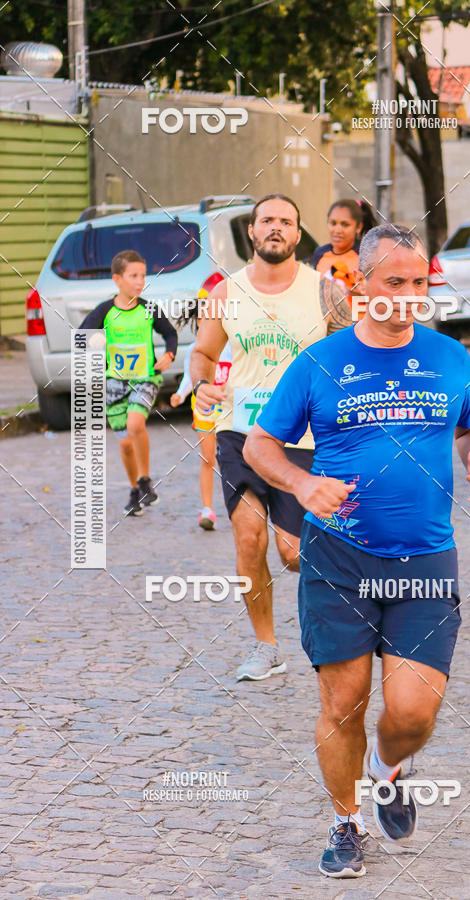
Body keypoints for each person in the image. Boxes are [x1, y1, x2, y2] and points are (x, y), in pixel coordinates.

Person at [243, 224, 470, 877]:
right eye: (395, 282)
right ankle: (347, 823)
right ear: (362, 284)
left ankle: (388, 767)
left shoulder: (450, 357)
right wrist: (301, 483)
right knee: (342, 702)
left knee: (411, 712)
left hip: (426, 559)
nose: (409, 296)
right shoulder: (319, 363)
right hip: (340, 558)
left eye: (419, 284)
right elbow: (258, 447)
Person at [190, 193, 352, 681]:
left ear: (298, 235)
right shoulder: (224, 293)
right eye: (267, 220)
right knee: (248, 537)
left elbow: (352, 356)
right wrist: (203, 383)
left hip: (303, 437)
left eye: (286, 221)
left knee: (291, 551)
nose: (276, 227)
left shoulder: (327, 293)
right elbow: (202, 353)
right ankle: (266, 646)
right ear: (253, 233)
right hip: (240, 432)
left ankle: (351, 586)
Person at [80, 249, 177, 516]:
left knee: (136, 423)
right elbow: (82, 335)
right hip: (115, 384)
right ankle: (136, 489)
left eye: (142, 276)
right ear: (117, 279)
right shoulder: (105, 311)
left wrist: (169, 355)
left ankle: (145, 480)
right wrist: (94, 341)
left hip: (145, 379)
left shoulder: (148, 309)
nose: (139, 281)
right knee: (124, 444)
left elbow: (169, 333)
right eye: (133, 276)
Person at [171, 295, 232, 529]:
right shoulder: (194, 350)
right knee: (208, 458)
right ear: (196, 322)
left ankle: (241, 505)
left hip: (231, 409)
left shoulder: (232, 345)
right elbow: (190, 376)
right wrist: (180, 394)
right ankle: (207, 510)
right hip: (205, 409)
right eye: (201, 318)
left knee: (235, 458)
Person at [311, 199, 365, 295]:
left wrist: (363, 295)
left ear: (358, 227)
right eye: (333, 223)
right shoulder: (319, 254)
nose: (337, 230)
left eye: (345, 224)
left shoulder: (365, 257)